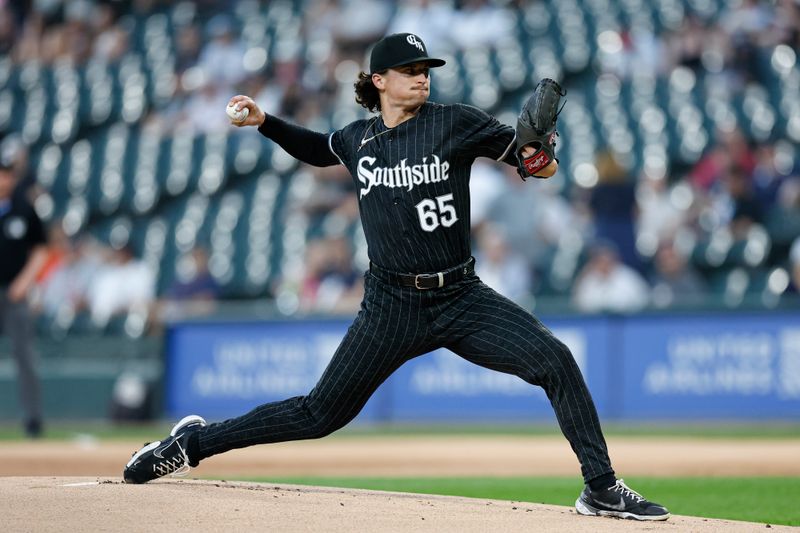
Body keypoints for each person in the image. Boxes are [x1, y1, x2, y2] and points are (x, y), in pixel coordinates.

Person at [123, 33, 669, 521]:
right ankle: (192, 445)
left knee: (556, 360)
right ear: (379, 81)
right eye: (411, 70)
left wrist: (539, 151)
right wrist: (266, 122)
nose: (422, 77)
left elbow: (537, 166)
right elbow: (318, 150)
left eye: (426, 69)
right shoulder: (360, 139)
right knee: (318, 414)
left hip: (461, 294)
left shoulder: (454, 121)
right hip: (390, 305)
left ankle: (600, 489)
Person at [0, 158, 48, 438]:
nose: (3, 181)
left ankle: (33, 420)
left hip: (15, 293)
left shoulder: (24, 209)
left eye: (6, 175)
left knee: (25, 356)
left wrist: (25, 281)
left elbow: (41, 250)